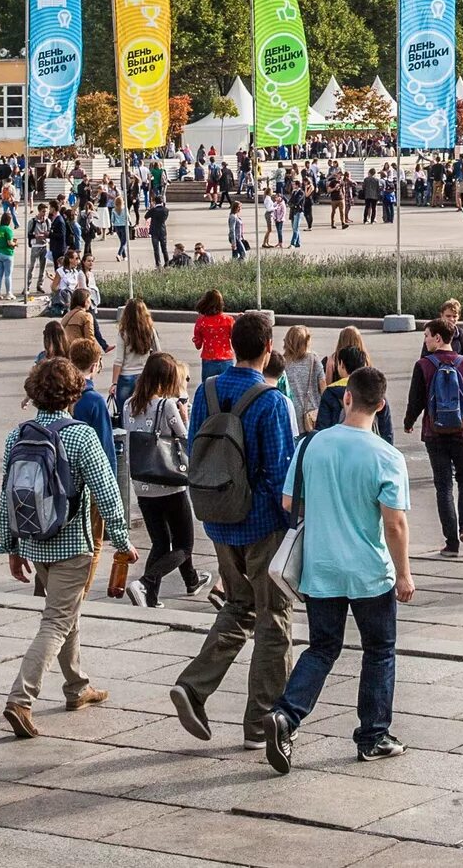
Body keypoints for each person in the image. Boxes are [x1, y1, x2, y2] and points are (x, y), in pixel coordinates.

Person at [261, 364, 416, 771]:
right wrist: (404, 573)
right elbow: (394, 523)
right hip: (369, 571)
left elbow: (289, 503)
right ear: (381, 406)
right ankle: (373, 736)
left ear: (347, 398)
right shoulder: (387, 456)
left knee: (323, 647)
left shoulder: (312, 445)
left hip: (321, 566)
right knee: (379, 651)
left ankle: (286, 715)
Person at [171, 311, 299, 752]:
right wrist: (291, 529)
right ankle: (262, 722)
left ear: (229, 344)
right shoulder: (273, 400)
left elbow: (195, 449)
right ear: (268, 349)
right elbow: (282, 474)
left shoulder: (207, 390)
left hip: (218, 516)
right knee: (274, 619)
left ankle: (193, 686)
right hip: (262, 524)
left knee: (239, 604)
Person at [0, 357, 134, 738]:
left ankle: (78, 687)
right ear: (74, 392)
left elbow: (6, 494)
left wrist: (10, 545)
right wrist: (122, 541)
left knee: (64, 611)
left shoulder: (17, 434)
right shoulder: (81, 436)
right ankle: (20, 699)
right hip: (73, 546)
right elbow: (107, 494)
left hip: (36, 543)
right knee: (56, 620)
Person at [405, 321, 463, 557]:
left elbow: (416, 399)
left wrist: (408, 422)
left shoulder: (424, 365)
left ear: (437, 338)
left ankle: (451, 543)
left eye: (426, 336)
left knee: (443, 486)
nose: (424, 340)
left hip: (434, 433)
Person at [127, 353, 206, 606]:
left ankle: (150, 597)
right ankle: (145, 582)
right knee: (184, 545)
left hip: (142, 484)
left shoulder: (130, 404)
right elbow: (185, 438)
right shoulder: (167, 405)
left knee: (160, 542)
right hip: (169, 484)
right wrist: (185, 416)